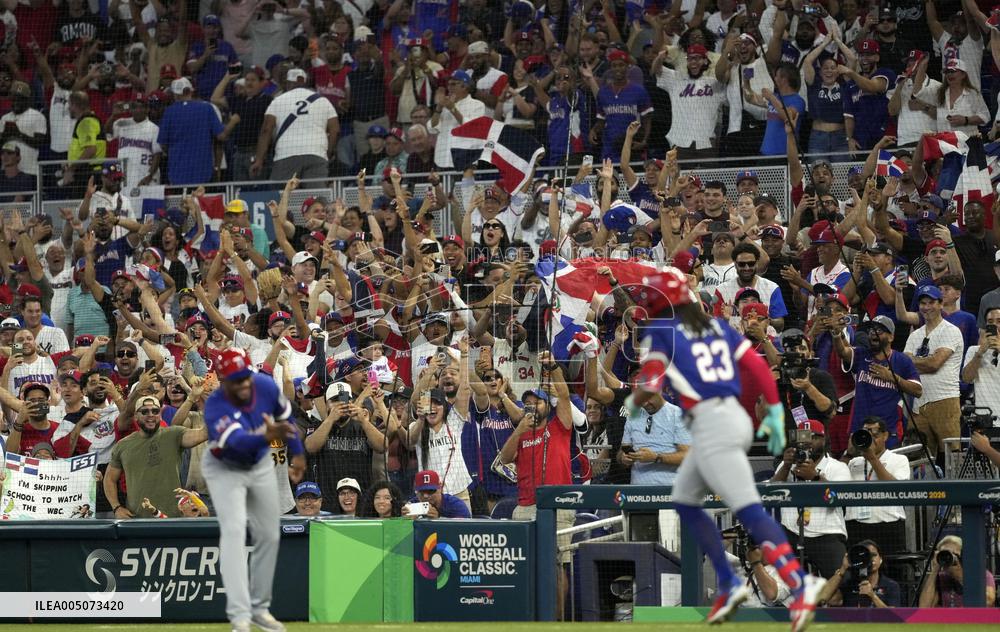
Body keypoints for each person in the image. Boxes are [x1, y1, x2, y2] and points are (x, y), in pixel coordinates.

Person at [630, 269, 824, 630]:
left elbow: (650, 383)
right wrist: (774, 408)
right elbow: (758, 366)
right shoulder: (717, 326)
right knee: (685, 501)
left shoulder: (663, 331)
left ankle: (799, 585)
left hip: (714, 424)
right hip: (728, 419)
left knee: (749, 511)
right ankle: (730, 582)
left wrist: (634, 397)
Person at [202, 348, 306, 632]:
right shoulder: (215, 406)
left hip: (259, 463)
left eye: (246, 376)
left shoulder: (264, 385)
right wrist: (266, 435)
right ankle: (239, 617)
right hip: (224, 467)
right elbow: (237, 444)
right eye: (236, 380)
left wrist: (297, 454)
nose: (244, 383)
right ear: (223, 382)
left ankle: (260, 609)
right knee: (234, 530)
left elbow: (287, 421)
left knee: (269, 534)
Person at [104, 395, 208, 518]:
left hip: (173, 518)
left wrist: (210, 400)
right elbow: (109, 479)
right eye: (145, 412)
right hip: (137, 519)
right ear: (136, 416)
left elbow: (203, 434)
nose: (151, 415)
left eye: (155, 411)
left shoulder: (174, 434)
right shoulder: (122, 445)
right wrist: (116, 507)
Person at [770, 420, 851, 580]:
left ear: (824, 439)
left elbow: (839, 499)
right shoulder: (788, 465)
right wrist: (786, 467)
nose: (808, 442)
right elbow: (771, 493)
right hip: (791, 532)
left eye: (814, 437)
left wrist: (815, 477)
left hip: (826, 534)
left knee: (844, 579)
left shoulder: (837, 467)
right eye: (803, 437)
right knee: (777, 577)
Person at [903, 286, 963, 464]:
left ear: (941, 304)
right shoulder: (915, 335)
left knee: (951, 457)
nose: (926, 307)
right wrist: (924, 362)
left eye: (931, 302)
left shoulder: (951, 330)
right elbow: (905, 367)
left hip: (945, 400)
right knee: (918, 458)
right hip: (918, 404)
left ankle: (954, 484)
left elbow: (935, 364)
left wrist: (914, 361)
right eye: (923, 303)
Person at [253, 68, 339, 181]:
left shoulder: (278, 100)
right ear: (305, 81)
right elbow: (335, 130)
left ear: (288, 82)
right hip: (316, 154)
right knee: (316, 191)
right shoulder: (323, 100)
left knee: (284, 191)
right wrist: (327, 153)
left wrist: (259, 160)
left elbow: (266, 130)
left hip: (286, 155)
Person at [843, 417, 911, 553]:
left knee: (891, 564)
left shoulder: (899, 459)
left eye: (874, 435)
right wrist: (848, 453)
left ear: (885, 436)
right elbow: (836, 477)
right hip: (856, 525)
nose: (870, 440)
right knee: (856, 564)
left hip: (888, 525)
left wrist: (872, 458)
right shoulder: (854, 462)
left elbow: (895, 489)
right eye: (866, 435)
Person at [156, 78, 226, 185]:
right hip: (204, 174)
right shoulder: (207, 108)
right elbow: (221, 137)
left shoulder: (169, 112)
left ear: (175, 94)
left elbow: (163, 145)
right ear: (191, 91)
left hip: (177, 174)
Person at [818, 540, 901, 607]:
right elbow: (824, 598)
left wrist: (873, 596)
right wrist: (843, 569)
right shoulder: (849, 585)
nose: (871, 559)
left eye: (874, 555)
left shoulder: (891, 586)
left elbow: (893, 616)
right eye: (867, 555)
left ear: (881, 559)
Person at [918, 536, 996, 607]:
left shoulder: (981, 574)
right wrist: (935, 570)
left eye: (953, 554)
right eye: (944, 554)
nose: (948, 558)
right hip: (949, 618)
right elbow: (924, 607)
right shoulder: (941, 578)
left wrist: (960, 577)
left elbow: (988, 601)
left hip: (972, 617)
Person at [404, 469, 472, 519]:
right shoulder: (413, 504)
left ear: (440, 487)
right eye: (421, 491)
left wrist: (438, 520)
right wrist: (407, 520)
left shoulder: (456, 506)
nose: (425, 496)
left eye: (430, 491)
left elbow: (464, 530)